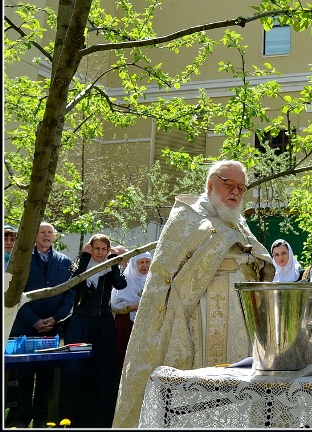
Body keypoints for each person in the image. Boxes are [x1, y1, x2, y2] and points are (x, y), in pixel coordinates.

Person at [113, 160, 275, 428]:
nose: (235, 192)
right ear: (210, 184)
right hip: (198, 322)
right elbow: (165, 275)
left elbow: (256, 257)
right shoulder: (187, 218)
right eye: (229, 184)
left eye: (241, 187)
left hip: (241, 324)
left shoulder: (237, 222)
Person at [7, 222, 74, 428]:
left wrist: (55, 318)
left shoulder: (65, 261)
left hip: (52, 329)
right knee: (25, 376)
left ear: (54, 237)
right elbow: (13, 294)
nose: (46, 236)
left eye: (49, 233)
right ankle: (22, 418)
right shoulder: (22, 261)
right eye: (42, 232)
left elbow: (70, 293)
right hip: (27, 328)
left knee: (46, 377)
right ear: (34, 236)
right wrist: (34, 321)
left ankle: (42, 419)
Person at [60, 234, 126, 428]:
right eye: (96, 249)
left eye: (103, 249)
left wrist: (114, 261)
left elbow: (121, 284)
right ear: (91, 248)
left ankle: (101, 419)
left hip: (103, 322)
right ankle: (71, 418)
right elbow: (72, 280)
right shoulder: (82, 262)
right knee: (76, 369)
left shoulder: (110, 263)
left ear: (108, 249)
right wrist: (84, 257)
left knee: (103, 369)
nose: (100, 253)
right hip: (81, 321)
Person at [110, 251, 152, 381]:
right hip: (126, 324)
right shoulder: (124, 280)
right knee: (124, 355)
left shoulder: (154, 281)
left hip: (148, 325)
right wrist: (131, 307)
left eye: (147, 262)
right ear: (134, 264)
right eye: (141, 262)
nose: (144, 265)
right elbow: (114, 305)